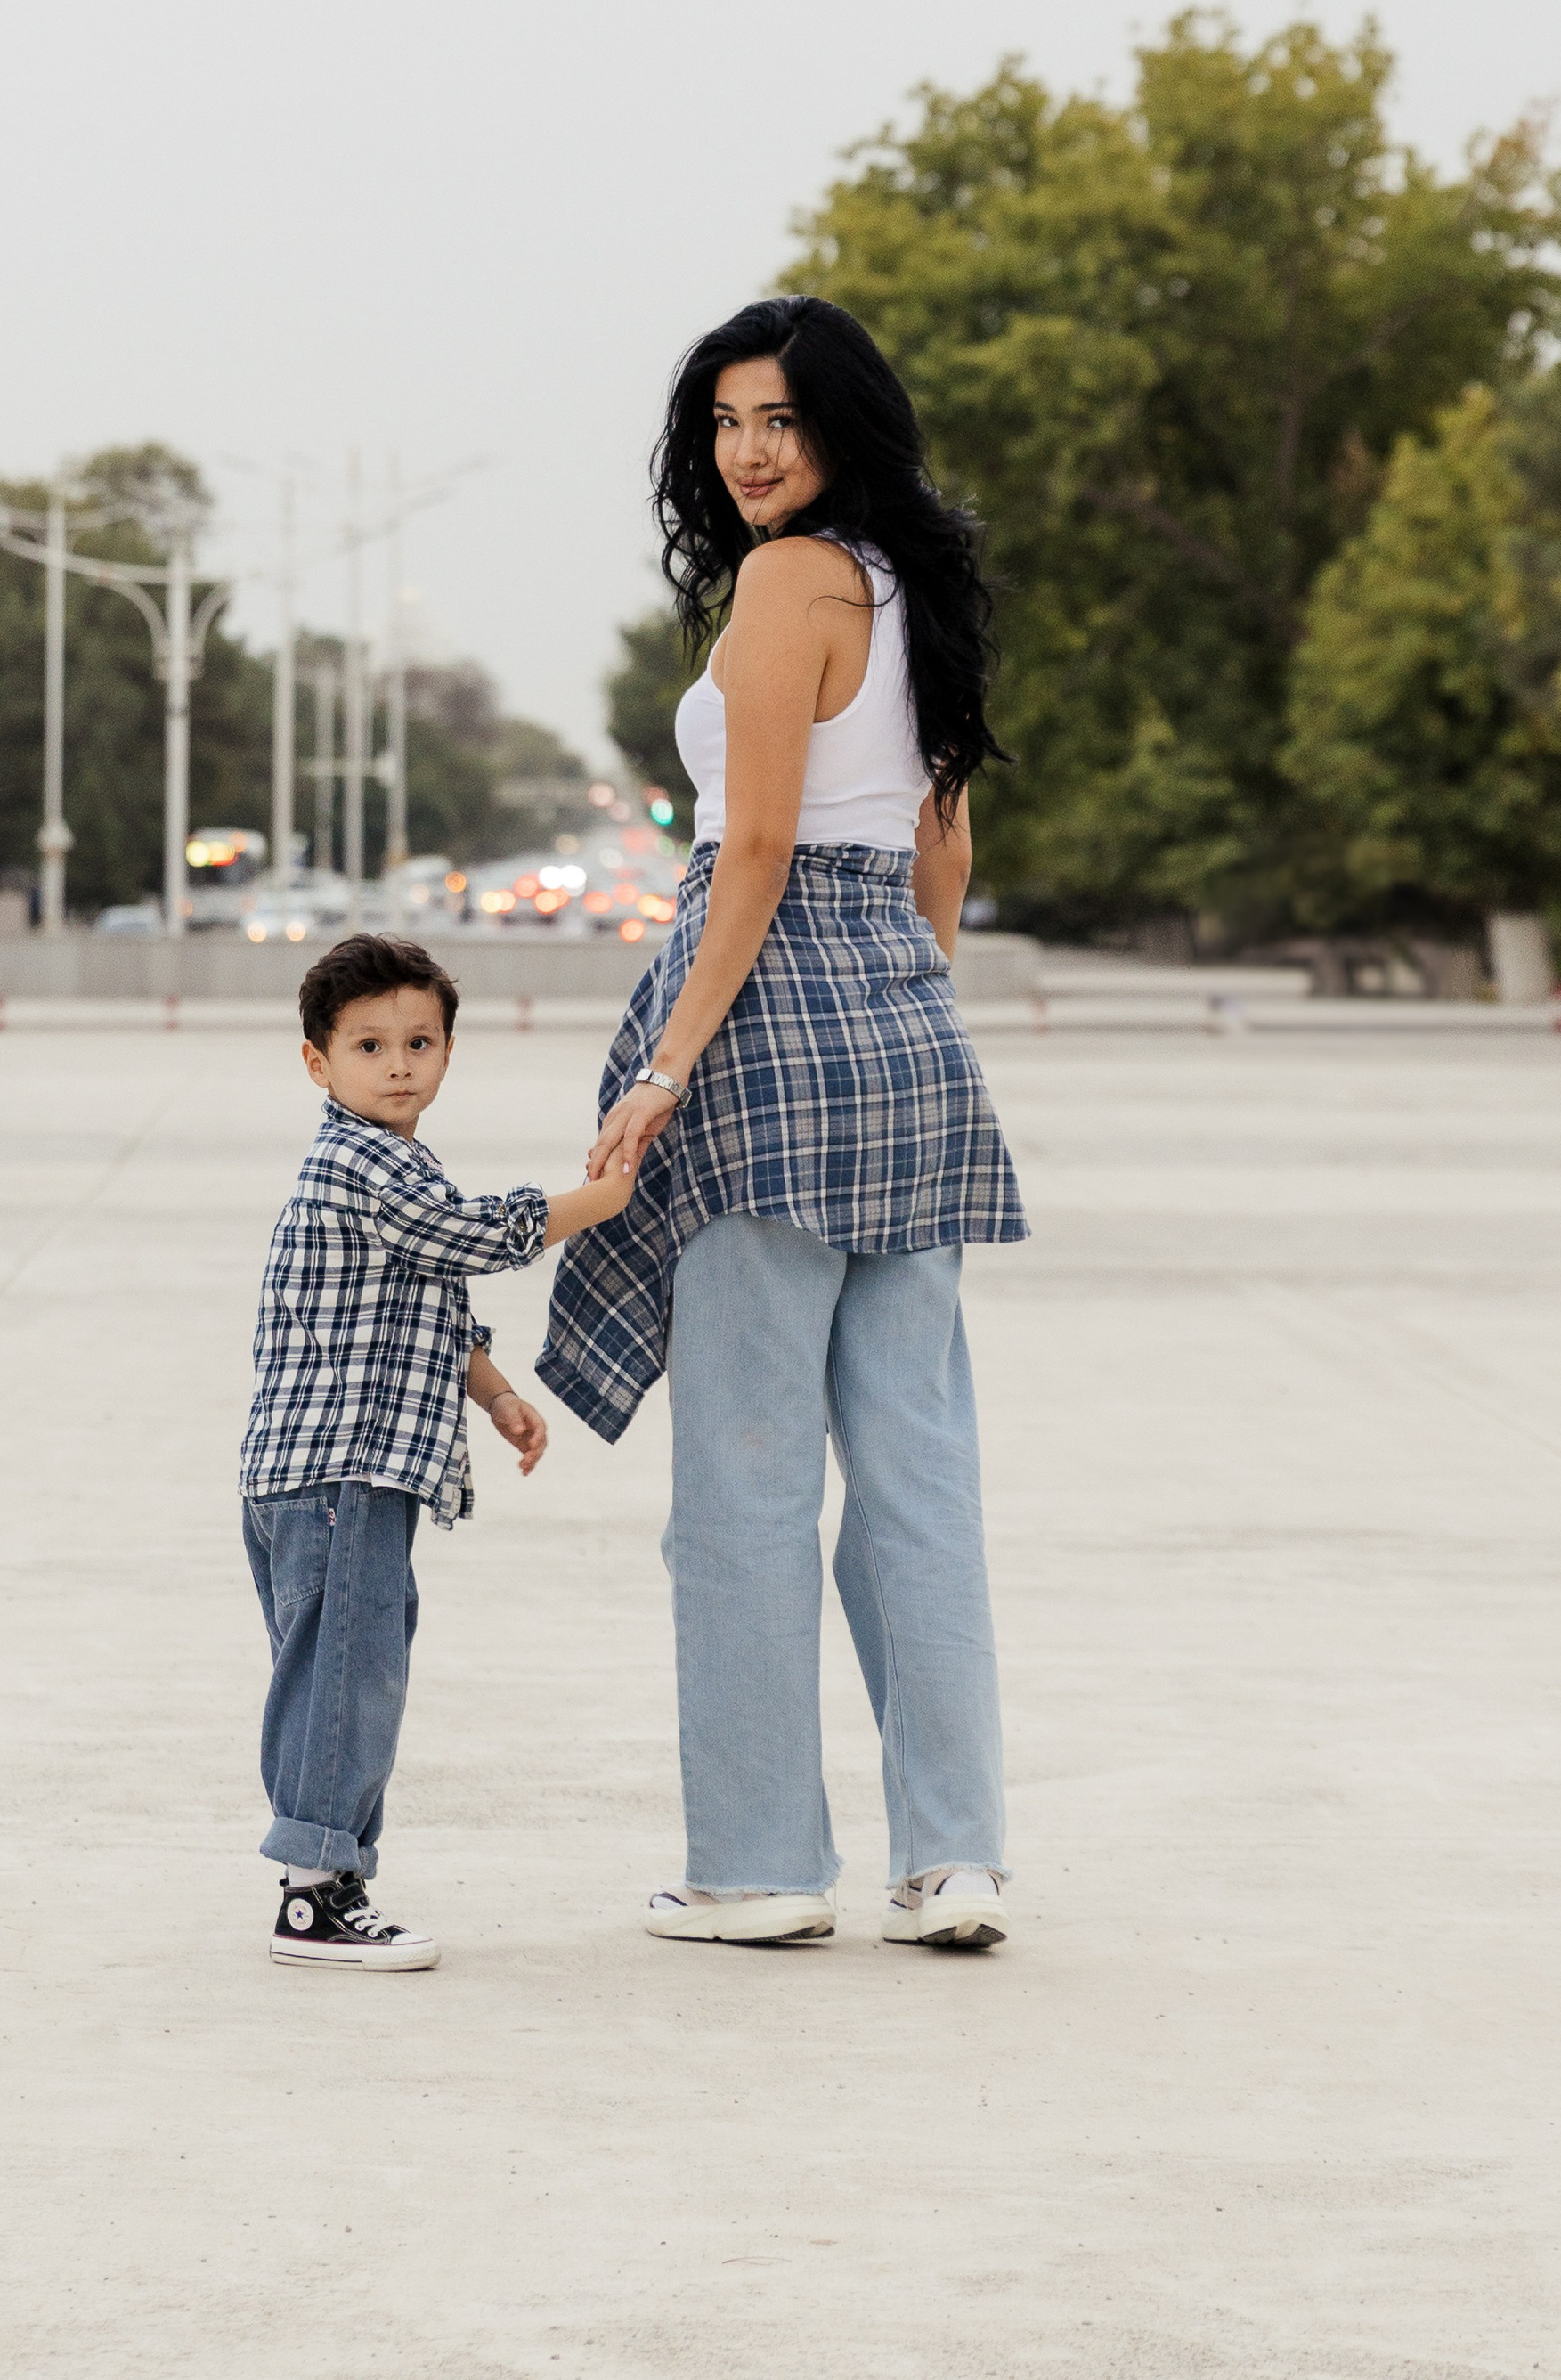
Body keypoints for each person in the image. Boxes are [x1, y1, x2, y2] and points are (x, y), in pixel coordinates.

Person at [539, 297, 1028, 1952]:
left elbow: (748, 855)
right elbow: (941, 856)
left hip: (764, 1037)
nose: (751, 453)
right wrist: (900, 1001)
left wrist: (665, 1069)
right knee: (920, 1469)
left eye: (781, 422)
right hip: (906, 1029)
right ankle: (953, 1856)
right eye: (731, 422)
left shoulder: (782, 581)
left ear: (842, 431)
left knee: (745, 1479)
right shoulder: (917, 586)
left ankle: (755, 1868)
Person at [243, 932, 635, 1973]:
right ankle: (312, 1894)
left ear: (450, 1052)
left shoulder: (396, 1159)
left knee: (349, 1665)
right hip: (343, 1468)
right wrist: (605, 1194)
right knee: (346, 1672)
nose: (400, 1062)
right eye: (369, 1045)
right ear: (318, 1063)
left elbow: (432, 1297)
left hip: (342, 1470)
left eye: (420, 1040)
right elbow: (470, 1236)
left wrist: (498, 1392)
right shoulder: (359, 1161)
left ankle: (331, 1874)